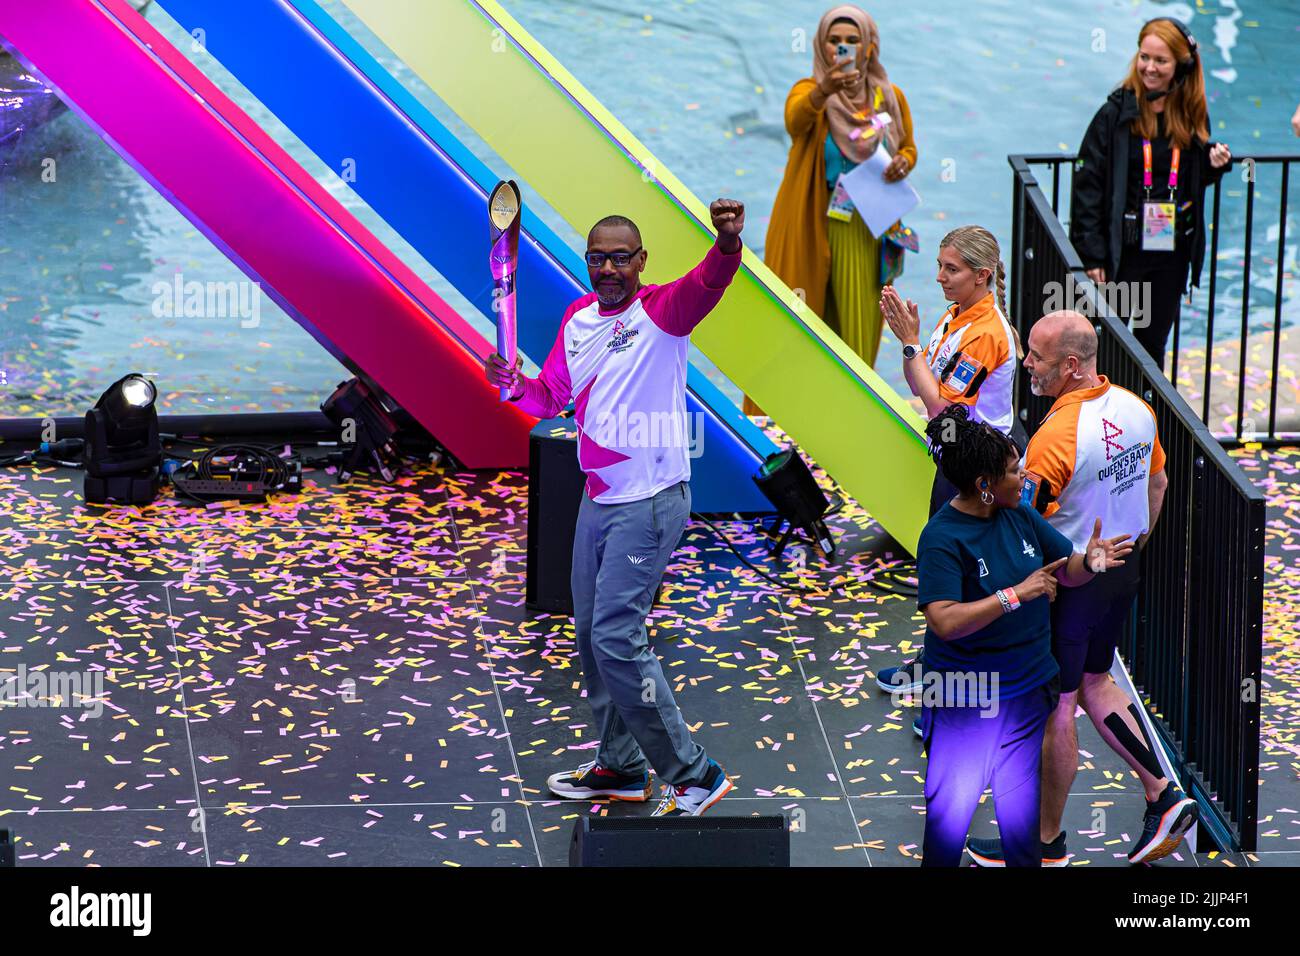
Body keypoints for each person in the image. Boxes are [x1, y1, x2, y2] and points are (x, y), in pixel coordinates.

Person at [484, 199, 746, 817]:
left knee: (616, 637)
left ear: (641, 262)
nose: (608, 268)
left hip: (650, 505)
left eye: (620, 258)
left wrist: (728, 242)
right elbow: (550, 396)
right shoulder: (577, 318)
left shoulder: (663, 313)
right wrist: (514, 382)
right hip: (598, 500)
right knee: (590, 636)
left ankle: (694, 773)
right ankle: (622, 768)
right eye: (598, 258)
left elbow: (710, 280)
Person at [965, 310, 1197, 867]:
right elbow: (1158, 482)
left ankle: (1043, 846)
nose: (1025, 366)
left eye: (1036, 359)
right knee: (1097, 682)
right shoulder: (1137, 410)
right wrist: (1133, 548)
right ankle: (1163, 794)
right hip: (1122, 568)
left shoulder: (1053, 437)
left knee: (1059, 707)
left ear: (1070, 365)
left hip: (1071, 585)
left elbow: (1021, 525)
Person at [916, 404, 1133, 867]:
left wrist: (1088, 563)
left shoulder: (1020, 515)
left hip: (1028, 688)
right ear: (985, 486)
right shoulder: (942, 537)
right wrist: (1015, 594)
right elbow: (944, 620)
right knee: (950, 818)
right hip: (966, 697)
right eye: (1014, 472)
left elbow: (1064, 570)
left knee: (1019, 821)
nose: (1023, 477)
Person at [875, 225, 1024, 702]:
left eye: (951, 268)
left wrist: (910, 344)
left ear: (982, 275)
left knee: (955, 571)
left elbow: (943, 409)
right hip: (956, 456)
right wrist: (912, 347)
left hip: (977, 465)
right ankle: (940, 665)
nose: (939, 276)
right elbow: (925, 383)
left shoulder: (984, 333)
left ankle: (948, 676)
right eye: (940, 265)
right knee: (952, 568)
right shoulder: (957, 314)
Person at [745, 5, 917, 415]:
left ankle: (849, 413)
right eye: (834, 40)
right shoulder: (809, 93)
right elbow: (795, 121)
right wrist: (826, 89)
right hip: (814, 224)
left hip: (866, 227)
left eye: (852, 40)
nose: (843, 47)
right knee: (799, 318)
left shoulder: (888, 97)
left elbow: (907, 145)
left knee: (858, 328)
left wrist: (904, 162)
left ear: (869, 46)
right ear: (821, 46)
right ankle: (786, 414)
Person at [1070, 17, 1231, 372]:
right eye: (1145, 57)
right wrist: (1093, 253)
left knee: (1151, 346)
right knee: (1107, 342)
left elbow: (1188, 180)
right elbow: (1088, 184)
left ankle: (1144, 419)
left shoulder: (1189, 113)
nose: (1150, 68)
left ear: (1182, 66)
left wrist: (1213, 165)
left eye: (1161, 61)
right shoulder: (1115, 113)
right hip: (1122, 254)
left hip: (1169, 253)